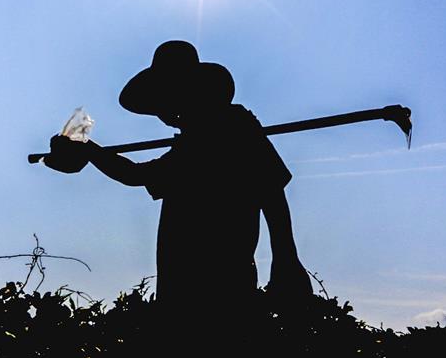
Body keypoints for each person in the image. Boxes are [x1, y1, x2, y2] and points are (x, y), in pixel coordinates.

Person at [45, 40, 313, 311]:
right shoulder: (211, 135)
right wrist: (89, 150)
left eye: (166, 102)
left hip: (211, 283)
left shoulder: (219, 134)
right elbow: (272, 193)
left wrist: (286, 257)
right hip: (193, 281)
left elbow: (135, 175)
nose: (163, 114)